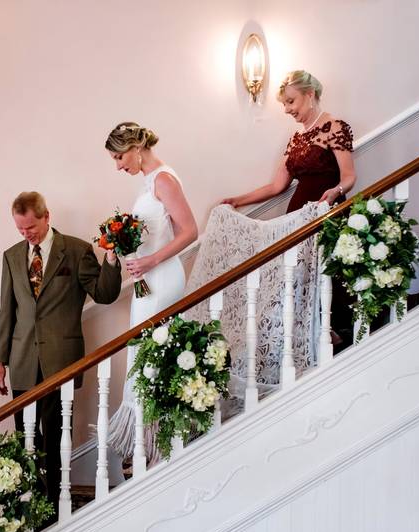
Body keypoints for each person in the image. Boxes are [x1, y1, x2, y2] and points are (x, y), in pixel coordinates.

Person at [0, 191, 122, 510]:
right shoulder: (11, 256)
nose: (26, 235)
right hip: (22, 360)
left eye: (31, 228)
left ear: (46, 216)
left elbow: (104, 294)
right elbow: (7, 311)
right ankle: (29, 501)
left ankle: (52, 505)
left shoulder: (76, 251)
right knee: (25, 436)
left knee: (53, 435)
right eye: (20, 229)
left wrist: (112, 257)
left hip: (60, 361)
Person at [221, 70, 357, 347]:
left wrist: (336, 192)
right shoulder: (296, 139)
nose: (287, 110)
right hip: (295, 220)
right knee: (298, 277)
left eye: (291, 102)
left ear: (310, 95)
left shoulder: (335, 127)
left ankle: (341, 333)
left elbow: (349, 177)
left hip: (325, 215)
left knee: (328, 276)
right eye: (284, 104)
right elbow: (276, 187)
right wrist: (238, 200)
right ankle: (318, 337)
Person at [104, 122, 198, 464]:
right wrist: (120, 248)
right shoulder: (148, 184)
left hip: (163, 278)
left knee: (152, 358)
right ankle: (153, 448)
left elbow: (190, 231)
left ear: (135, 147)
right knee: (145, 355)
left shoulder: (163, 179)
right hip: (148, 280)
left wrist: (151, 260)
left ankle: (160, 448)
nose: (118, 166)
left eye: (119, 157)